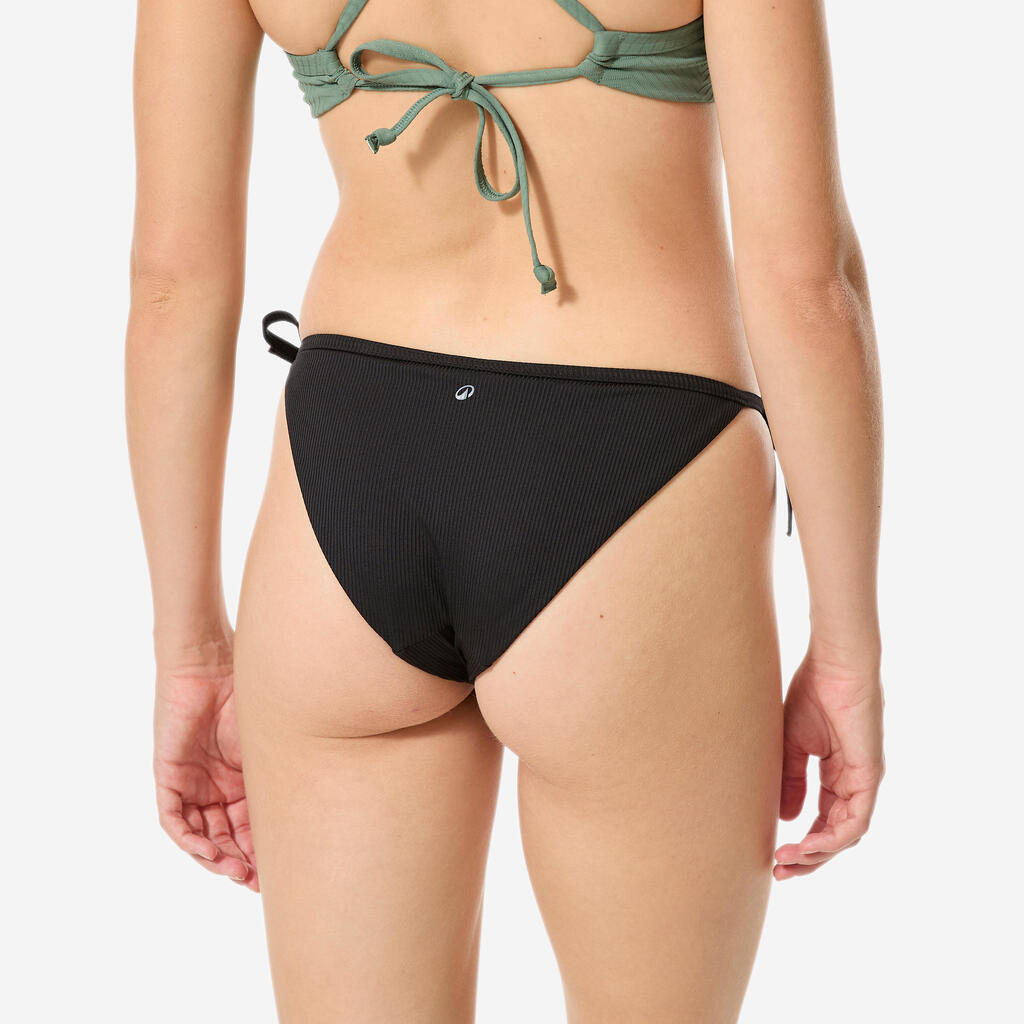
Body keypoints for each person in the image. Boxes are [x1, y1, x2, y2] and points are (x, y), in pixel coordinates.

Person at [126, 0, 885, 1019]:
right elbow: (807, 284)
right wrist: (845, 652)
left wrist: (190, 652)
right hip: (638, 470)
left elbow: (170, 286)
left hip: (348, 470)